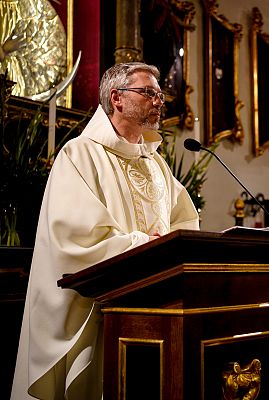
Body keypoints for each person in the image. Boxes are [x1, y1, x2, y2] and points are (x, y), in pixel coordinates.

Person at [11, 62, 200, 399]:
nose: (159, 101)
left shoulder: (155, 163)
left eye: (160, 95)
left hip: (158, 307)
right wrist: (146, 246)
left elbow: (184, 224)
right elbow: (74, 236)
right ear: (117, 98)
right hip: (102, 309)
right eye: (149, 93)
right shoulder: (79, 154)